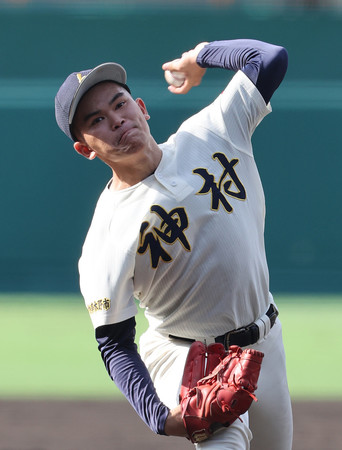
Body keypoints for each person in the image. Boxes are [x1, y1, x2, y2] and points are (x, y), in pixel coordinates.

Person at [55, 39, 293, 449]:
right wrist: (160, 417)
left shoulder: (211, 132)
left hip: (266, 342)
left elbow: (268, 59)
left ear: (142, 107)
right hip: (190, 357)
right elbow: (114, 344)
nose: (115, 119)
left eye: (119, 103)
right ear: (84, 149)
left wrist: (201, 55)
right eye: (96, 120)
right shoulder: (106, 237)